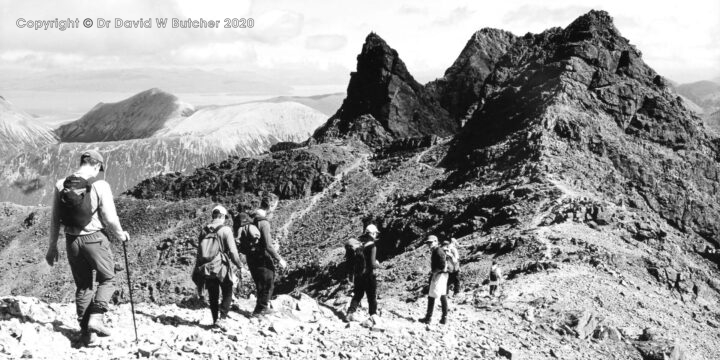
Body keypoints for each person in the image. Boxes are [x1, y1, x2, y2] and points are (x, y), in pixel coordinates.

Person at [46, 150, 130, 346]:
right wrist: (121, 235)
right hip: (94, 239)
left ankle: (87, 334)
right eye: (100, 168)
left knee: (84, 286)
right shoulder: (100, 185)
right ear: (96, 165)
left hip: (71, 241)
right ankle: (97, 318)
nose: (99, 172)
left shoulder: (61, 184)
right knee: (107, 278)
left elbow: (54, 220)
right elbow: (109, 217)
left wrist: (52, 247)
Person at [193, 205, 243, 328]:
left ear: (213, 216)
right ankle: (223, 317)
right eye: (225, 217)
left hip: (207, 266)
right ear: (222, 216)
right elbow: (232, 251)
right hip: (221, 265)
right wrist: (239, 264)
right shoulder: (225, 230)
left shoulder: (204, 230)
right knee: (228, 288)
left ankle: (215, 320)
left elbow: (199, 250)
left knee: (213, 293)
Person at [248, 209, 287, 316]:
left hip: (251, 257)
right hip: (261, 256)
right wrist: (279, 259)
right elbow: (268, 245)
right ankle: (261, 309)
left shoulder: (251, 223)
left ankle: (259, 308)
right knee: (268, 281)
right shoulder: (263, 223)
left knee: (260, 282)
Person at [345, 224, 380, 323]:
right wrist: (377, 264)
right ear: (373, 234)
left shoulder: (360, 246)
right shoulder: (372, 246)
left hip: (359, 275)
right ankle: (373, 316)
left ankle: (350, 313)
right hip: (369, 275)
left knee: (358, 295)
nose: (376, 235)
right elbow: (372, 264)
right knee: (371, 296)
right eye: (375, 233)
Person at [419, 235, 449, 325]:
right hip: (443, 275)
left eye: (430, 242)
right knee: (443, 295)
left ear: (436, 241)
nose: (429, 244)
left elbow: (442, 265)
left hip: (439, 275)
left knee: (431, 296)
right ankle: (444, 318)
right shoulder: (438, 250)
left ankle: (428, 318)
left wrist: (434, 272)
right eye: (428, 243)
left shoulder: (438, 251)